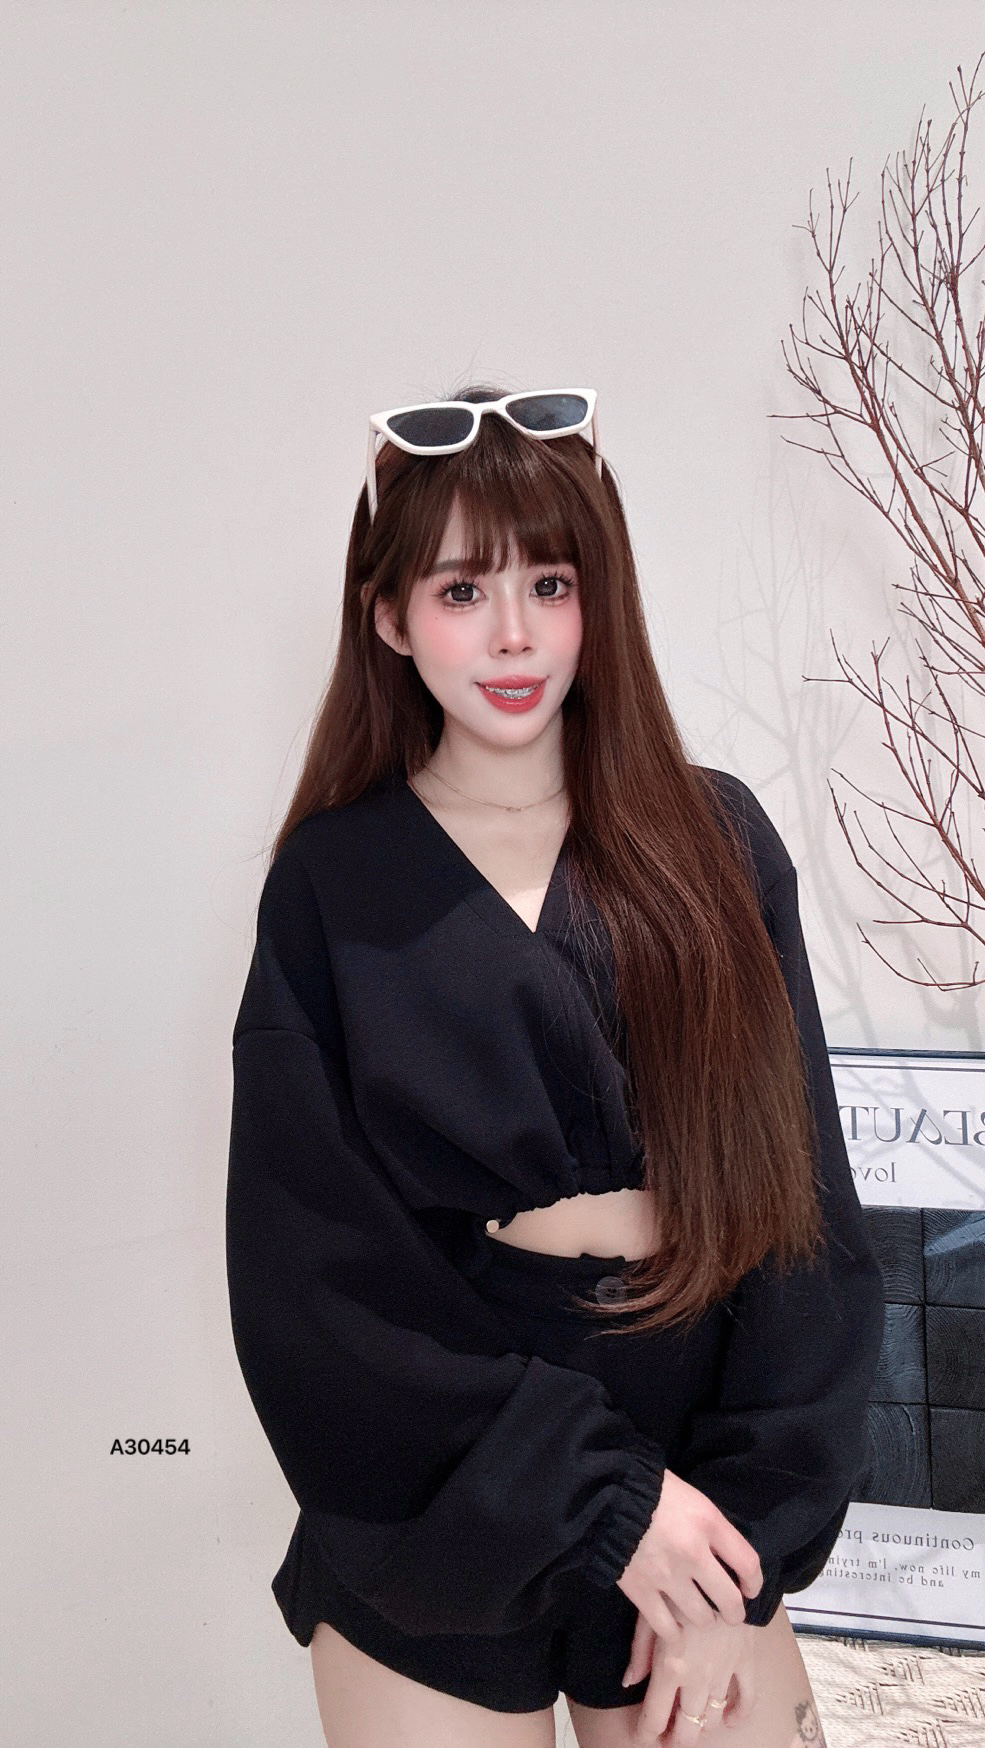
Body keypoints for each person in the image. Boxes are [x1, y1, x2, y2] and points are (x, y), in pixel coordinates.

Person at [225, 383, 886, 1748]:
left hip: (708, 1447)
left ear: (599, 599)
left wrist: (739, 1534)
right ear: (389, 617)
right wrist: (595, 1497)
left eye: (549, 582)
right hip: (451, 1469)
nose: (514, 633)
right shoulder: (335, 884)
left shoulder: (716, 843)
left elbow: (800, 1213)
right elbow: (314, 1274)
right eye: (461, 591)